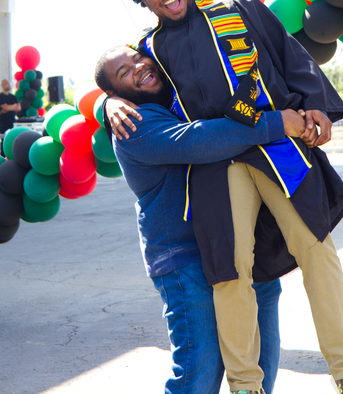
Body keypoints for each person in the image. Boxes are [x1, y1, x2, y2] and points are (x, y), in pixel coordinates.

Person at [107, 0, 343, 394]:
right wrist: (106, 103)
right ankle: (247, 385)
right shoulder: (151, 50)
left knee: (317, 248)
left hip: (277, 147)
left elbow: (291, 55)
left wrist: (316, 106)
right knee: (229, 270)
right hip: (218, 165)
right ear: (142, 0)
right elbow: (127, 81)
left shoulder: (236, 6)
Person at [95, 45, 307, 394]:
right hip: (184, 258)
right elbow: (201, 140)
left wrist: (102, 102)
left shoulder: (179, 95)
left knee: (257, 368)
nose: (139, 66)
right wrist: (275, 123)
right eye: (124, 72)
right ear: (115, 93)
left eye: (137, 57)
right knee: (199, 375)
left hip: (240, 245)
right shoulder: (135, 123)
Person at [0, 79, 20, 152]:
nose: (8, 85)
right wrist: (14, 106)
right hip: (4, 123)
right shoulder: (0, 97)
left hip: (12, 121)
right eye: (6, 83)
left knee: (13, 140)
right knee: (4, 141)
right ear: (2, 85)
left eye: (9, 83)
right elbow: (5, 107)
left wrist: (9, 107)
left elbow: (19, 108)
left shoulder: (13, 97)